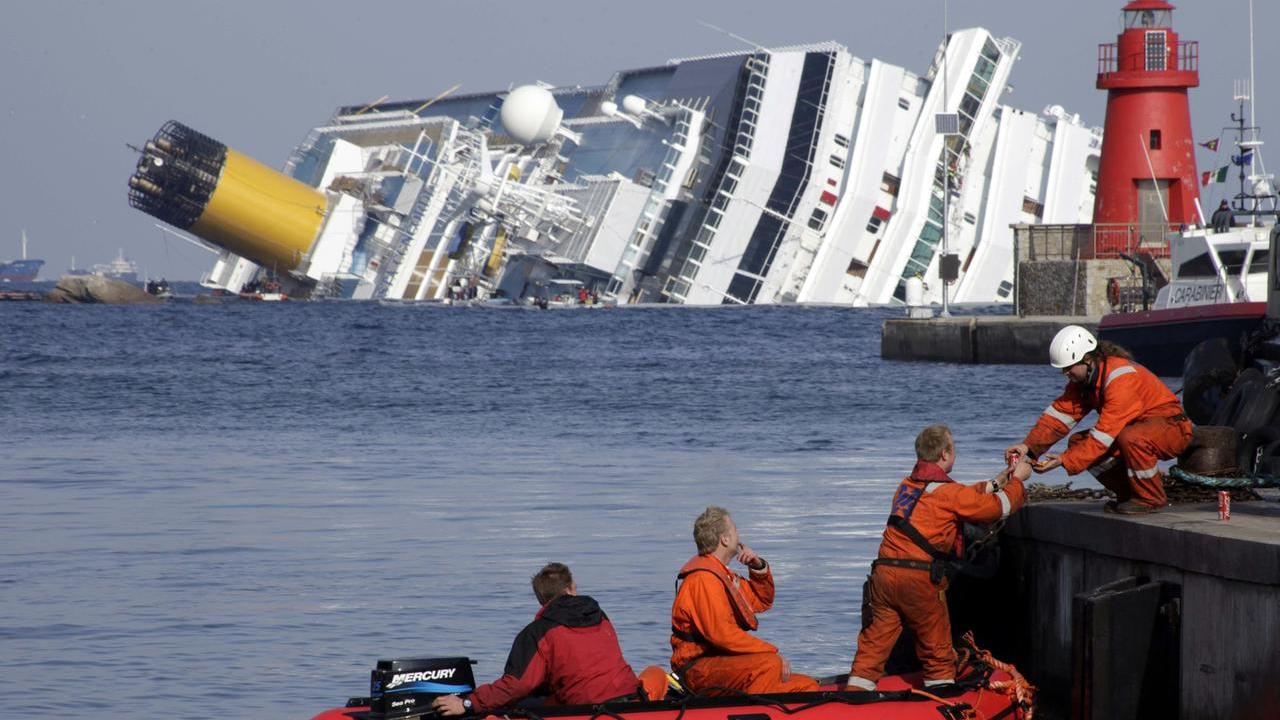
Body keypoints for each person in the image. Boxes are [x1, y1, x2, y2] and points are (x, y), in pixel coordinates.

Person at [848, 424, 1030, 692]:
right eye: (953, 448)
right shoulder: (947, 493)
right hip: (919, 580)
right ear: (945, 454)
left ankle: (853, 699)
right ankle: (942, 696)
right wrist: (1017, 481)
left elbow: (957, 495)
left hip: (883, 577)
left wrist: (996, 481)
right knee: (937, 652)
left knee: (872, 649)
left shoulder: (907, 486)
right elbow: (996, 509)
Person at [1006, 325, 1192, 514]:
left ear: (1087, 360)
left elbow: (1103, 436)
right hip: (1138, 430)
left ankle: (1150, 499)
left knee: (1132, 437)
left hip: (1172, 428)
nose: (1066, 374)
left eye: (1068, 368)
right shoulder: (1084, 382)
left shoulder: (1120, 379)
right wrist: (1028, 449)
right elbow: (1057, 419)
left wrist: (1064, 460)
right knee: (1078, 442)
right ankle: (1129, 495)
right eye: (1063, 370)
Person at [431, 563, 648, 716]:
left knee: (517, 703)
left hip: (587, 709)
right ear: (571, 588)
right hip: (630, 699)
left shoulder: (538, 632)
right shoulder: (599, 616)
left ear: (540, 599)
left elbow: (515, 686)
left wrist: (468, 703)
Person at [670, 506, 819, 695]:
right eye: (735, 530)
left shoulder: (722, 575)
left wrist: (757, 567)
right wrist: (771, 651)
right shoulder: (703, 580)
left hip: (722, 662)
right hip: (698, 669)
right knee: (768, 663)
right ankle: (750, 709)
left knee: (808, 686)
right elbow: (722, 635)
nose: (739, 536)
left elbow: (760, 601)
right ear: (724, 539)